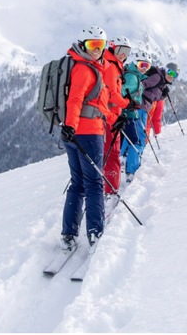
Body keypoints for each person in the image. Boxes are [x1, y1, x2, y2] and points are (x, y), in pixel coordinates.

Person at [59, 26, 111, 250]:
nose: (97, 50)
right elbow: (75, 99)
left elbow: (97, 103)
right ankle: (95, 232)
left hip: (75, 133)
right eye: (92, 45)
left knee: (78, 183)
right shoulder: (85, 70)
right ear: (82, 44)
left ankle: (69, 233)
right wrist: (71, 125)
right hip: (87, 134)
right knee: (93, 183)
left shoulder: (88, 67)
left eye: (101, 45)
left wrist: (111, 117)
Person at [100, 37, 132, 197]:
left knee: (111, 151)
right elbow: (113, 95)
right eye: (121, 50)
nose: (123, 55)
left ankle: (110, 185)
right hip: (110, 116)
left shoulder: (113, 64)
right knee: (112, 152)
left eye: (127, 52)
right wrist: (127, 103)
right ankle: (110, 188)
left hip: (112, 115)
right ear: (112, 48)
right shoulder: (111, 67)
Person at [120, 50, 150, 182]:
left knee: (125, 140)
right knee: (135, 142)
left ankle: (120, 163)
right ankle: (131, 170)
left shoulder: (134, 75)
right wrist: (128, 104)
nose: (144, 68)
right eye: (142, 64)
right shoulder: (133, 77)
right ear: (135, 63)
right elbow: (119, 92)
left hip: (128, 113)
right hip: (127, 114)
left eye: (147, 66)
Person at [142, 62, 178, 138]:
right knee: (142, 130)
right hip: (142, 106)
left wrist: (162, 95)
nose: (171, 76)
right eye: (170, 72)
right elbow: (142, 86)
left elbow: (154, 96)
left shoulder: (162, 81)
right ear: (165, 70)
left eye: (174, 75)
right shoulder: (157, 78)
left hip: (146, 106)